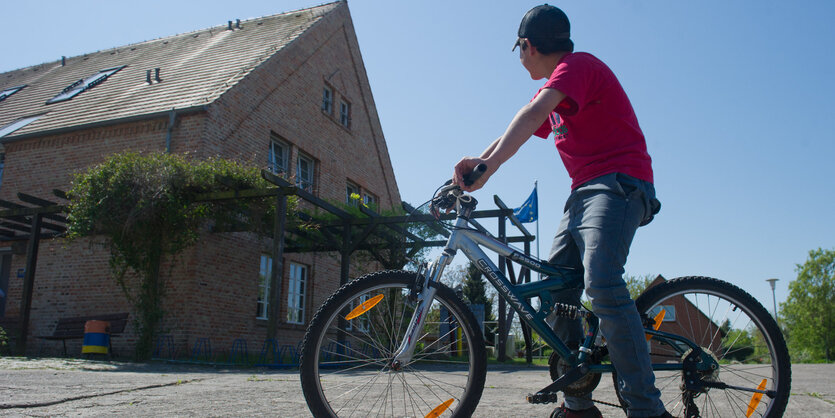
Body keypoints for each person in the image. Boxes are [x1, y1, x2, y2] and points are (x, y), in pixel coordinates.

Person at [452, 5, 671, 418]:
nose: (520, 58)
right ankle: (578, 405)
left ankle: (647, 409)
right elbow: (518, 126)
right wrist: (473, 164)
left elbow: (532, 114)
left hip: (619, 183)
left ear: (528, 46)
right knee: (557, 289)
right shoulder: (555, 89)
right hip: (583, 193)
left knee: (603, 284)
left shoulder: (577, 66)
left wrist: (488, 169)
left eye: (518, 49)